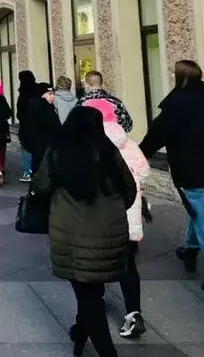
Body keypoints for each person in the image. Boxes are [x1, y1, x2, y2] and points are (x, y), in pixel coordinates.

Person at [32, 106, 137, 357]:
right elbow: (129, 191)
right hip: (110, 235)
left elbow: (41, 185)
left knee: (88, 295)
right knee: (91, 289)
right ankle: (80, 333)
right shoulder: (109, 151)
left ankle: (106, 351)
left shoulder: (58, 151)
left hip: (72, 234)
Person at [140, 60, 204, 301]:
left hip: (194, 171)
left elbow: (156, 134)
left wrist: (136, 156)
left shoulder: (177, 103)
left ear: (179, 77)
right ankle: (189, 248)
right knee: (201, 211)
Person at [84, 98, 150, 339]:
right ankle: (134, 313)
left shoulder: (89, 145)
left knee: (94, 262)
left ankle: (96, 304)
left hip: (99, 216)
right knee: (127, 265)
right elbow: (144, 172)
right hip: (128, 216)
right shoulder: (128, 144)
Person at [22, 82, 62, 170]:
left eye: (53, 94)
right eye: (49, 94)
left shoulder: (44, 106)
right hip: (43, 145)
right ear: (41, 94)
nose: (52, 96)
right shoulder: (42, 108)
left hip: (41, 146)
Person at [16, 70, 39, 182]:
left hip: (26, 125)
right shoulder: (37, 91)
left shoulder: (23, 94)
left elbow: (19, 113)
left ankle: (27, 172)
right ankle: (37, 171)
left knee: (25, 148)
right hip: (38, 124)